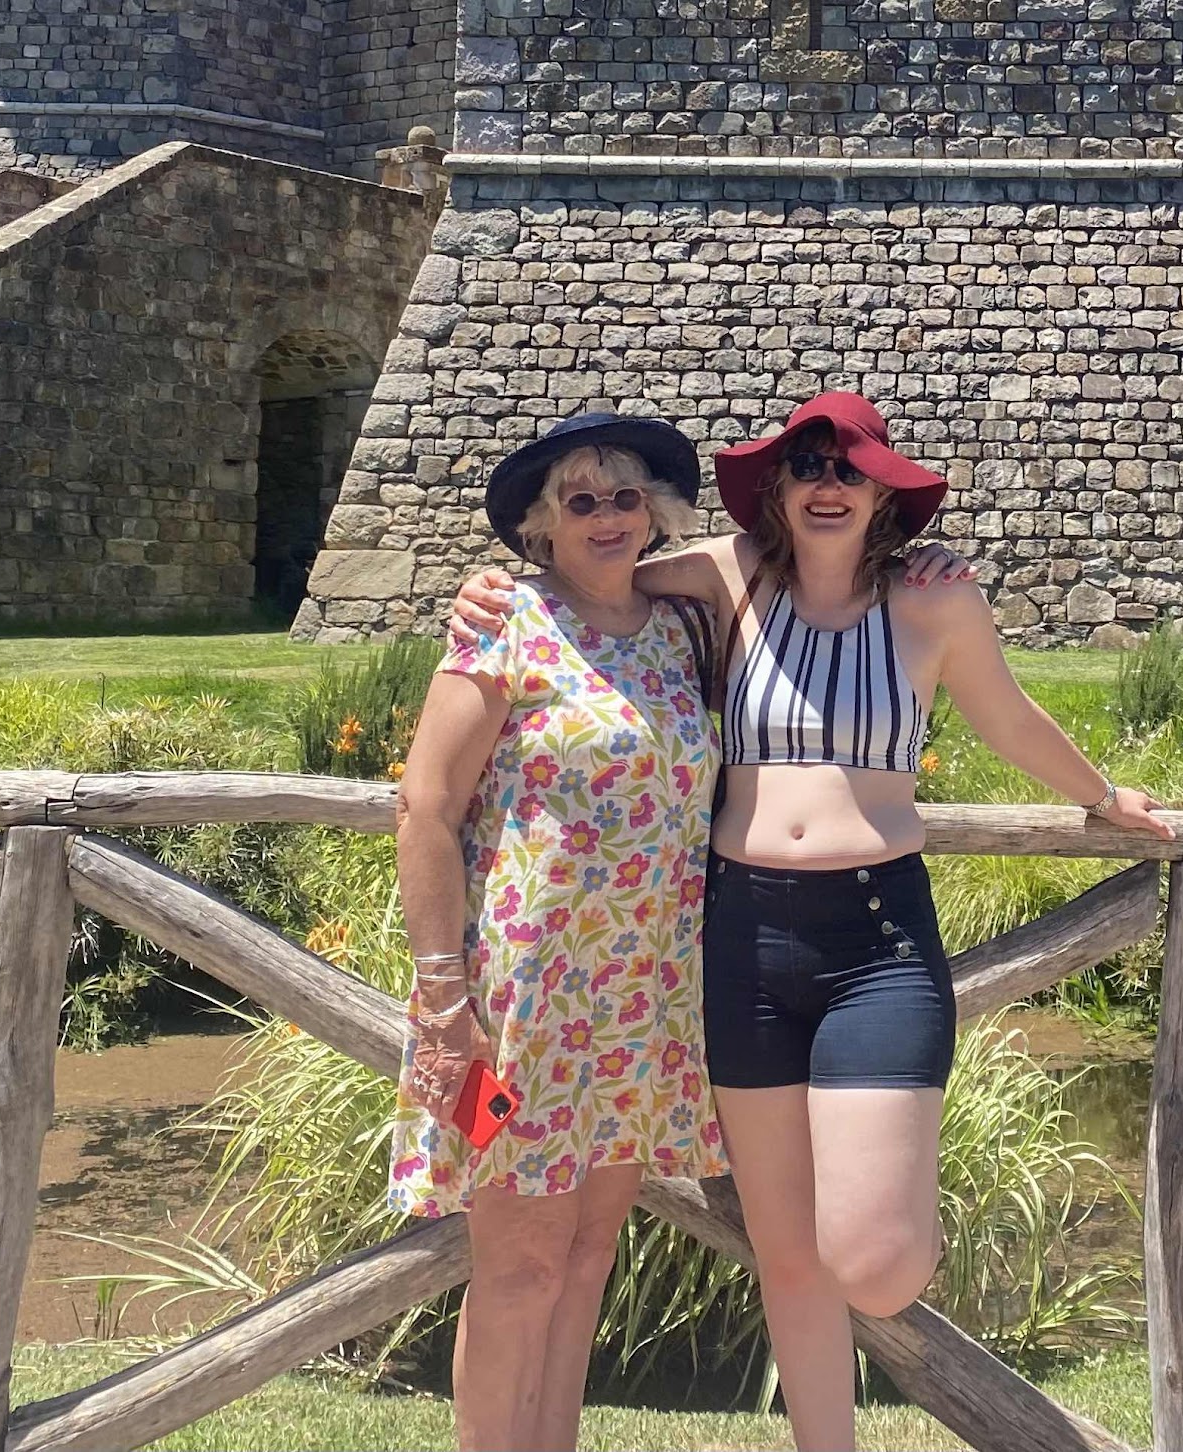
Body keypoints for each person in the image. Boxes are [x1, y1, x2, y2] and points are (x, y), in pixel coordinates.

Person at [450, 392, 1173, 1452]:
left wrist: (1104, 797)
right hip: (742, 937)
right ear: (777, 492)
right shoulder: (729, 578)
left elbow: (1009, 717)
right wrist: (493, 589)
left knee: (873, 1262)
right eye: (808, 466)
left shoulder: (934, 602)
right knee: (786, 1259)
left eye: (850, 468)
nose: (828, 484)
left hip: (875, 937)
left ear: (883, 494)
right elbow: (596, 575)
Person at [390, 412, 730, 1452]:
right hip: (520, 1005)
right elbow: (426, 806)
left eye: (627, 497)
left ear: (656, 513)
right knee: (519, 1268)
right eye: (581, 501)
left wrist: (918, 557)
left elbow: (785, 554)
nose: (607, 517)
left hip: (638, 1003)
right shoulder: (504, 625)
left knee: (586, 1259)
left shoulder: (682, 630)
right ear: (542, 526)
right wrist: (444, 1000)